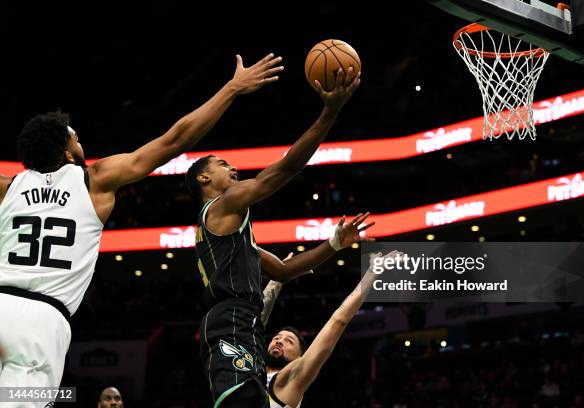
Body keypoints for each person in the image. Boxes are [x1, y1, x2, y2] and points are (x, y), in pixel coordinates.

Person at [0, 52, 283, 393]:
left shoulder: (7, 186)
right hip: (41, 322)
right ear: (65, 151)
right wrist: (232, 89)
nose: (81, 142)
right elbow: (176, 139)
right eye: (75, 138)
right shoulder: (96, 179)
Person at [185, 68, 363, 407]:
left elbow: (282, 271)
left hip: (243, 324)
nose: (233, 169)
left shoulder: (232, 237)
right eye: (224, 164)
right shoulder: (222, 206)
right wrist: (330, 111)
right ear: (204, 177)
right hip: (231, 322)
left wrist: (335, 244)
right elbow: (285, 169)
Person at [263, 251, 400, 408]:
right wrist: (280, 275)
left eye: (289, 341)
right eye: (277, 337)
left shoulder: (289, 381)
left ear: (299, 358)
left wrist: (372, 273)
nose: (280, 340)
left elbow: (338, 321)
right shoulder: (249, 370)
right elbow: (253, 322)